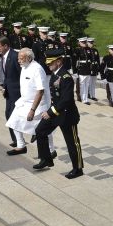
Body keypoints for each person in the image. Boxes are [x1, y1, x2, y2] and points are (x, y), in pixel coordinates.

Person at [33, 48, 84, 179]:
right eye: (48, 63)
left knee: (72, 143)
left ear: (59, 62)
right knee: (40, 130)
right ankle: (46, 159)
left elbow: (66, 100)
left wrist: (50, 112)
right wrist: (50, 111)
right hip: (55, 112)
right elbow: (55, 97)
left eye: (51, 63)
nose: (48, 65)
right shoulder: (55, 74)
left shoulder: (65, 77)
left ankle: (77, 169)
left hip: (67, 115)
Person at [5, 48, 49, 156]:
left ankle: (50, 151)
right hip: (24, 101)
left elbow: (40, 91)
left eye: (21, 58)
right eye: (19, 58)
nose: (19, 61)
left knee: (43, 131)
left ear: (29, 58)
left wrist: (32, 110)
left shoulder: (37, 69)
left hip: (37, 104)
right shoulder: (24, 66)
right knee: (13, 122)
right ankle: (21, 146)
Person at [0, 36, 22, 151]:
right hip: (9, 92)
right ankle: (16, 139)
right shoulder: (4, 56)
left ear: (6, 46)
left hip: (17, 92)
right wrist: (4, 88)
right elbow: (7, 75)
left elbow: (22, 74)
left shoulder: (15, 56)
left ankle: (21, 141)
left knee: (14, 116)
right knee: (8, 115)